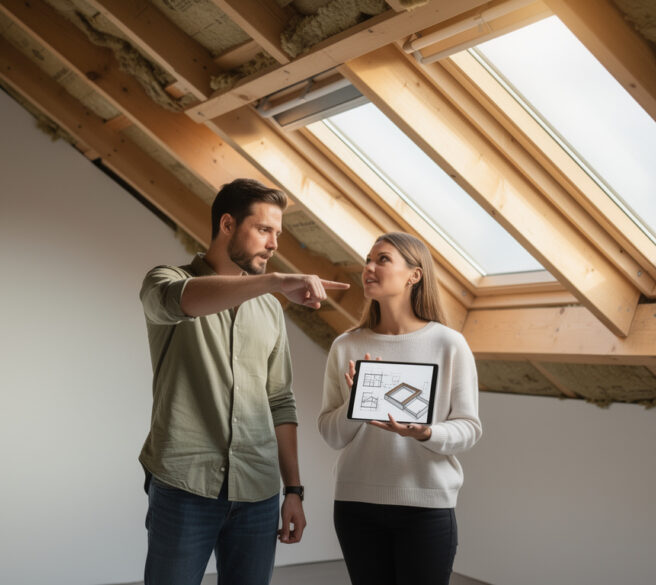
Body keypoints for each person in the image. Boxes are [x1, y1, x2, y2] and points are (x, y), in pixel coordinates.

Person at [139, 178, 349, 585]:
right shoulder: (165, 279)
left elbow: (280, 401)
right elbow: (182, 301)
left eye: (278, 234)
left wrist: (294, 491)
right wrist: (274, 282)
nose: (273, 244)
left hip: (258, 491)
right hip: (185, 484)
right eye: (264, 230)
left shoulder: (270, 310)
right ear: (228, 225)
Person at [318, 232, 483, 585]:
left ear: (414, 275)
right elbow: (331, 435)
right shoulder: (346, 345)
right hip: (355, 503)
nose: (369, 268)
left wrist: (426, 432)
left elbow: (469, 427)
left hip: (427, 505)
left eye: (383, 259)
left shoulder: (448, 344)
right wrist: (354, 402)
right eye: (367, 260)